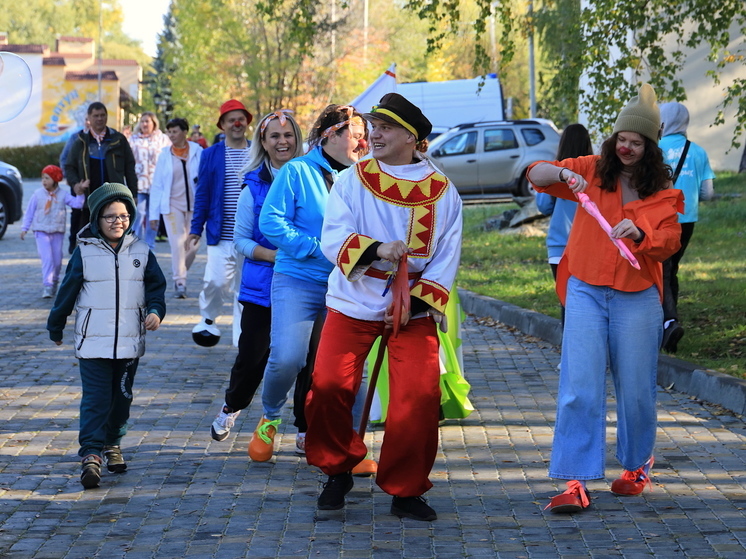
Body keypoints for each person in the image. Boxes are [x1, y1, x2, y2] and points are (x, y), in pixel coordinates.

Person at [304, 93, 463, 522]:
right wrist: (377, 250)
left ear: (412, 137)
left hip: (412, 307)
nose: (374, 133)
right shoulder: (352, 180)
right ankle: (338, 469)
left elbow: (447, 254)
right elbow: (333, 236)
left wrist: (419, 298)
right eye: (373, 125)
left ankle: (405, 488)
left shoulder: (444, 192)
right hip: (352, 299)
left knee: (418, 397)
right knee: (328, 386)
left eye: (386, 127)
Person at [526, 84, 683, 514]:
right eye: (622, 139)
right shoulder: (592, 168)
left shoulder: (661, 187)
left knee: (636, 390)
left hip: (637, 297)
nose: (627, 147)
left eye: (636, 141)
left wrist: (642, 234)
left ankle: (635, 467)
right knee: (579, 386)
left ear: (649, 147)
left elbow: (670, 239)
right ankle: (574, 480)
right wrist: (561, 174)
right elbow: (535, 172)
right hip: (586, 291)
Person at [248, 104, 369, 464]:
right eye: (356, 135)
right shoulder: (298, 171)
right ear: (331, 134)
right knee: (288, 358)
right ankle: (270, 417)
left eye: (364, 136)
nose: (362, 142)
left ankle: (351, 443)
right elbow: (271, 222)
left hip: (348, 285)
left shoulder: (365, 176)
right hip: (298, 280)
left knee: (348, 368)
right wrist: (319, 250)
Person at [46, 183, 167, 489]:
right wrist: (56, 324)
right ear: (97, 218)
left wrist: (155, 311)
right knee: (97, 400)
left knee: (122, 399)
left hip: (129, 343)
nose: (118, 221)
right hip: (93, 345)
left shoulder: (141, 251)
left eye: (124, 215)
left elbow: (156, 288)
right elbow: (67, 292)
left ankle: (113, 444)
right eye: (110, 216)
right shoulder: (84, 252)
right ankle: (90, 454)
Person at [210, 109, 313, 446]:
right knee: (253, 356)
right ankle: (232, 406)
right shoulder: (252, 185)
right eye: (275, 136)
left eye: (288, 135)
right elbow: (241, 239)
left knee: (306, 359)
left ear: (298, 139)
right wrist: (274, 255)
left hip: (308, 283)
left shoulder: (316, 177)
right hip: (263, 287)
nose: (282, 142)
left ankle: (304, 428)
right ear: (264, 143)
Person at [187, 100, 253, 347]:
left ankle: (242, 340)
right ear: (223, 125)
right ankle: (208, 317)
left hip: (250, 237)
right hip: (220, 234)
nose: (237, 124)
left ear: (247, 122)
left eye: (241, 119)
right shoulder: (210, 154)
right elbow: (202, 193)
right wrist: (195, 230)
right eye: (231, 120)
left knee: (244, 290)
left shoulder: (258, 151)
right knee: (215, 281)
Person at [658, 102, 715, 353]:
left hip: (661, 218)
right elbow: (708, 193)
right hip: (687, 219)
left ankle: (668, 324)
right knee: (672, 269)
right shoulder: (699, 152)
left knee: (662, 271)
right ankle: (671, 323)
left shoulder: (654, 148)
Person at [535, 124, 593, 323]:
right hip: (587, 247)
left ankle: (567, 348)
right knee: (587, 302)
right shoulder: (594, 173)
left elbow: (544, 206)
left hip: (559, 246)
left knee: (566, 303)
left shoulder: (556, 172)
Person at [64, 102, 138, 254]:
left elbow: (130, 168)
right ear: (89, 118)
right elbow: (69, 166)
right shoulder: (80, 141)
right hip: (88, 200)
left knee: (114, 236)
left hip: (114, 198)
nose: (99, 119)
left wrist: (133, 194)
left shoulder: (119, 140)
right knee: (88, 238)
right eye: (95, 116)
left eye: (102, 115)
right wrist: (75, 184)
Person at [149, 117, 204, 299]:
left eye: (175, 131)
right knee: (177, 244)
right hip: (172, 205)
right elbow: (157, 185)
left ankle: (181, 270)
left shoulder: (198, 151)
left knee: (193, 245)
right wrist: (153, 214)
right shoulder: (165, 155)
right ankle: (180, 281)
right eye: (169, 132)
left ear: (184, 132)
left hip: (195, 205)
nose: (171, 135)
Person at [20, 165, 85, 298]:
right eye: (42, 178)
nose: (44, 181)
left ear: (55, 179)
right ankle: (47, 286)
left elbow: (77, 204)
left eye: (47, 178)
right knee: (47, 259)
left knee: (57, 260)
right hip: (41, 231)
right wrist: (24, 228)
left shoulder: (62, 195)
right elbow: (30, 212)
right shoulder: (37, 195)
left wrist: (80, 193)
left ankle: (54, 281)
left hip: (57, 232)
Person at [129, 112, 172, 249]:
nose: (144, 124)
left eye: (147, 121)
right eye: (142, 121)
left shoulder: (163, 139)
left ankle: (149, 246)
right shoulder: (133, 139)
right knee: (138, 214)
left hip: (156, 183)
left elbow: (170, 158)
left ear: (154, 123)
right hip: (139, 183)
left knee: (153, 216)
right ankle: (134, 244)